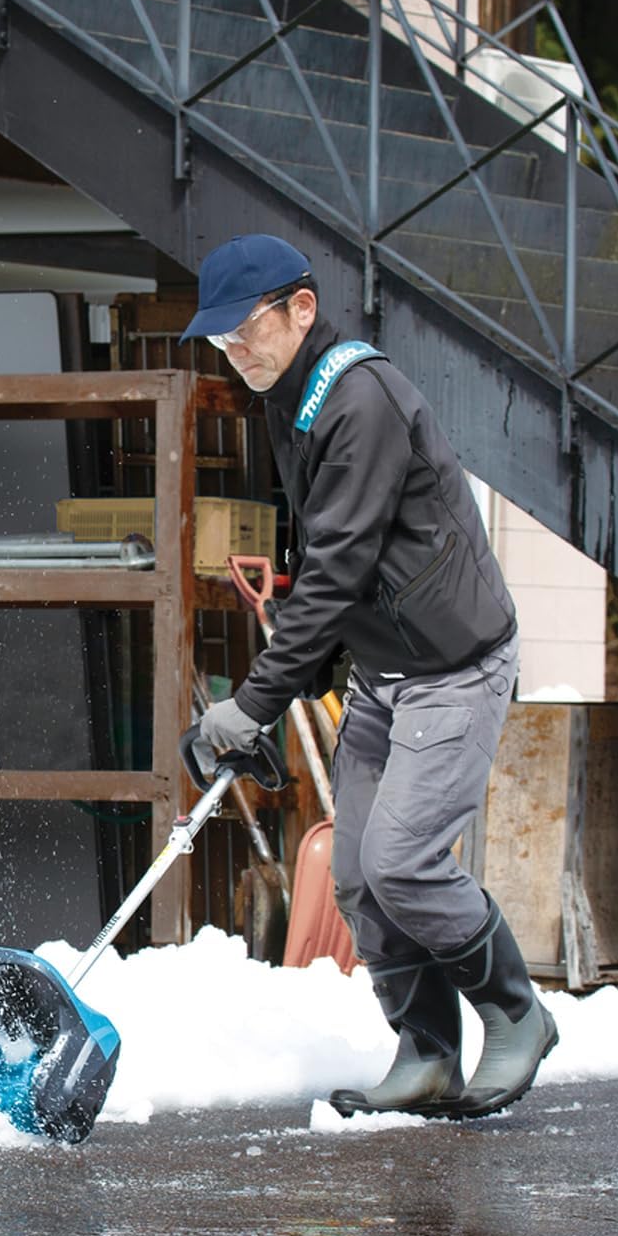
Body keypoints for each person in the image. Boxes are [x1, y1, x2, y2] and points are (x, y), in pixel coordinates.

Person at [182, 233, 557, 1118]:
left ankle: (516, 1014)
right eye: (222, 344)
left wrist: (255, 702)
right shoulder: (290, 397)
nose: (236, 355)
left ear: (300, 310)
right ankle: (427, 1050)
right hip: (387, 668)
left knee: (405, 861)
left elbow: (341, 563)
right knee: (356, 872)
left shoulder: (359, 397)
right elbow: (322, 565)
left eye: (246, 333)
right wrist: (269, 703)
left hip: (453, 664)